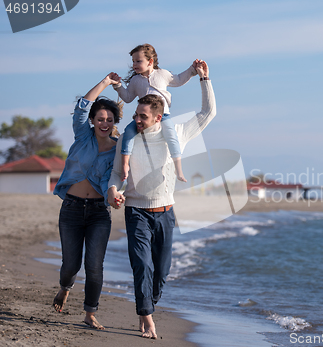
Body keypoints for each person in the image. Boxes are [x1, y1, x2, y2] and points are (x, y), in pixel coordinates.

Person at [107, 61, 214, 339]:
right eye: (136, 114)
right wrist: (113, 189)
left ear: (157, 117)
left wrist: (205, 80)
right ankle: (146, 314)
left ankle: (148, 303)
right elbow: (118, 172)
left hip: (166, 212)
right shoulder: (126, 140)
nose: (136, 120)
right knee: (141, 264)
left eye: (142, 116)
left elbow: (208, 112)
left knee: (161, 271)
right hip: (136, 211)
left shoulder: (176, 133)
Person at [52, 73, 124, 330]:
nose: (104, 123)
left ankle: (89, 313)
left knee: (94, 265)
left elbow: (111, 180)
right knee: (70, 264)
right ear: (93, 121)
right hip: (70, 209)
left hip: (98, 213)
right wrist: (106, 82)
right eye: (100, 119)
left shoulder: (119, 149)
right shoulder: (82, 136)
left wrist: (114, 196)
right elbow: (82, 105)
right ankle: (65, 287)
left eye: (109, 119)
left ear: (115, 122)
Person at [111, 43, 198, 183]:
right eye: (133, 61)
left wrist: (192, 69)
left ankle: (178, 169)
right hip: (143, 118)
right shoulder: (135, 80)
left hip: (162, 116)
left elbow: (179, 80)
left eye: (138, 61)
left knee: (171, 137)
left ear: (150, 61)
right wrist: (117, 86)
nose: (134, 64)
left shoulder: (162, 74)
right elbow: (127, 98)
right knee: (128, 132)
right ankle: (125, 164)